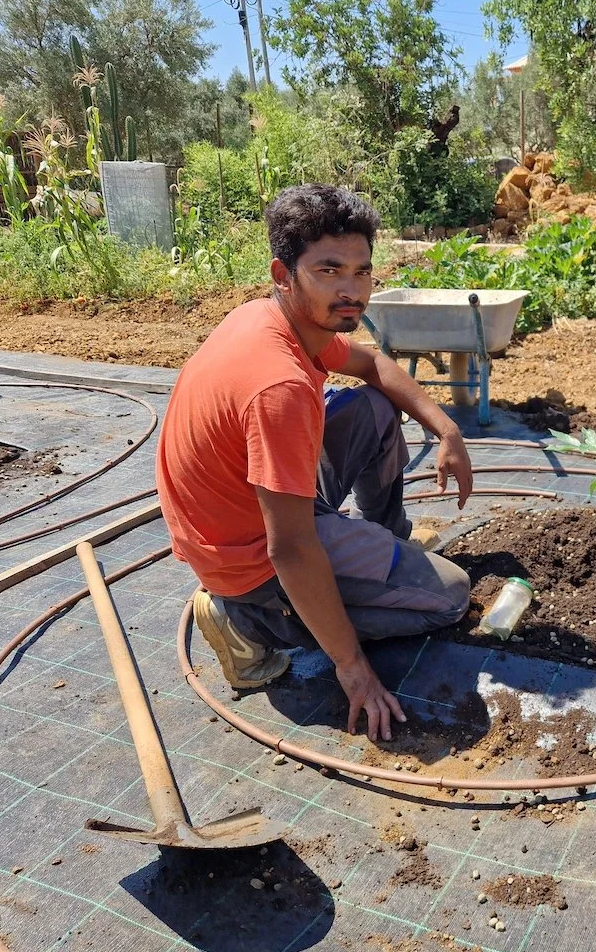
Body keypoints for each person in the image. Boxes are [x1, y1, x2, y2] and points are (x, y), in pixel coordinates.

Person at [156, 184, 473, 741]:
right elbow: (292, 548)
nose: (351, 290)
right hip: (254, 560)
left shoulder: (282, 321)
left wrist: (447, 428)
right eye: (329, 270)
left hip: (250, 511)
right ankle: (248, 625)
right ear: (285, 274)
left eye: (362, 271)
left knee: (373, 407)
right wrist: (354, 671)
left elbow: (374, 365)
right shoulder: (278, 386)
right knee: (449, 596)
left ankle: (380, 546)